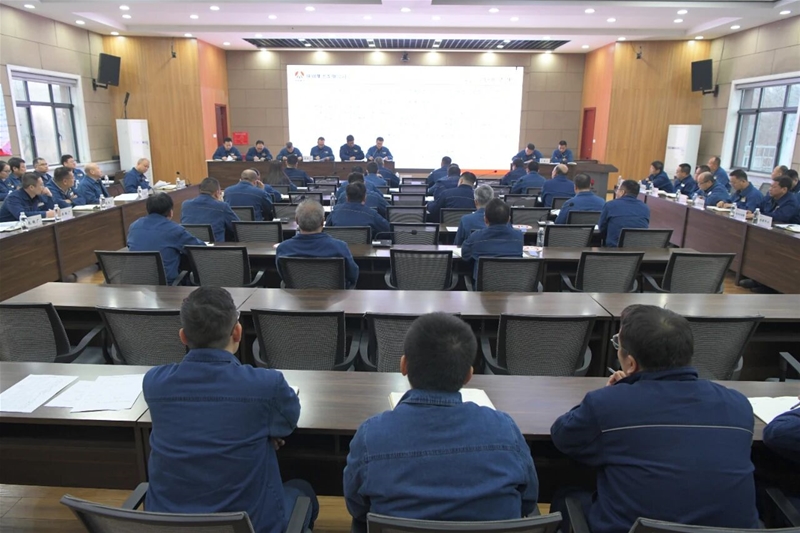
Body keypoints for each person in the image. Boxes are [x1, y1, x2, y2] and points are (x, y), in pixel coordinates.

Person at [550, 304, 759, 533]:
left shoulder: (607, 404)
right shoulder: (738, 405)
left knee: (567, 493)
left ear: (631, 364)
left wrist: (612, 395)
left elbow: (563, 436)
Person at [143, 287, 318, 533]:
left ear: (183, 337)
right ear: (237, 332)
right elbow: (288, 423)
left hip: (169, 526)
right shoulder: (266, 385)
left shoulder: (155, 383)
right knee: (302, 490)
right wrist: (266, 433)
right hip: (248, 526)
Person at [344, 313, 538, 531]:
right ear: (469, 375)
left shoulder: (371, 436)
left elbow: (357, 506)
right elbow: (528, 500)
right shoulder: (506, 431)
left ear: (403, 365)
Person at [275, 200, 359, 288]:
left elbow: (284, 276)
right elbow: (353, 275)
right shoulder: (340, 247)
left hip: (297, 296)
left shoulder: (283, 249)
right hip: (333, 296)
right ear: (323, 221)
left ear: (297, 221)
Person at [126, 193, 205, 285]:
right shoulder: (175, 230)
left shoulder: (133, 226)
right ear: (170, 212)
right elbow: (199, 249)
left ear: (148, 210)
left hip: (136, 283)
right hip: (165, 286)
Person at [461, 199, 524, 281]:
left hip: (483, 288)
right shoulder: (519, 237)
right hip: (513, 286)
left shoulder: (476, 237)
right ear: (508, 219)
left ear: (485, 219)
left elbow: (465, 255)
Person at [180, 177, 239, 242]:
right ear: (217, 193)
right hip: (214, 247)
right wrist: (220, 202)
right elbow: (238, 228)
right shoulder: (222, 206)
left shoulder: (186, 205)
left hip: (190, 246)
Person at [598, 179, 650, 247]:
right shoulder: (645, 208)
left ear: (622, 192)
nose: (616, 192)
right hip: (638, 250)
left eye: (618, 190)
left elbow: (602, 228)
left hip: (614, 249)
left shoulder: (610, 205)